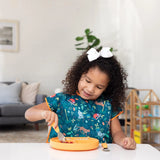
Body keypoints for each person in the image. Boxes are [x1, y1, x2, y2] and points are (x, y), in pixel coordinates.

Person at [25, 47, 136, 150]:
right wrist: (43, 114)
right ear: (79, 75)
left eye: (99, 87)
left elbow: (117, 132)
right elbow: (29, 113)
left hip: (98, 155)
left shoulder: (107, 105)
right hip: (63, 153)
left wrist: (123, 140)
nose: (90, 89)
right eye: (87, 81)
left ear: (107, 88)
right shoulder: (61, 99)